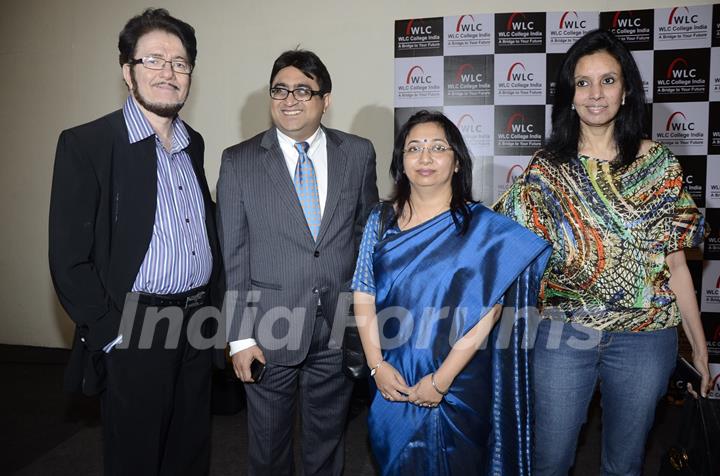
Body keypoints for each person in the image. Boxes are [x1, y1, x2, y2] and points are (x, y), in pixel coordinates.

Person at [494, 29, 711, 476]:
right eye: (583, 82)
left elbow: (676, 267)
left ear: (626, 90)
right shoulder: (546, 170)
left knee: (624, 463)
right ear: (569, 95)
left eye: (608, 81)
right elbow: (498, 247)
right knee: (549, 460)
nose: (596, 94)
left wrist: (701, 347)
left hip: (646, 340)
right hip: (563, 335)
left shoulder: (659, 165)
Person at [49, 8, 223, 476]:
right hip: (136, 329)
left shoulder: (194, 143)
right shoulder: (88, 144)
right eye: (154, 60)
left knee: (190, 450)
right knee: (136, 457)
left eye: (180, 63)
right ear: (127, 71)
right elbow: (69, 260)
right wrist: (111, 335)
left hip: (195, 322)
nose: (169, 72)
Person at [351, 110, 551, 475]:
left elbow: (488, 312)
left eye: (437, 147)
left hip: (457, 382)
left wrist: (441, 381)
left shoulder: (482, 227)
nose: (425, 158)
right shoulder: (379, 221)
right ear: (401, 162)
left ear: (457, 162)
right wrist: (377, 366)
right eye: (414, 148)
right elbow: (363, 293)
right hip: (391, 378)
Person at [216, 49, 378, 475]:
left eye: (303, 90)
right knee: (268, 446)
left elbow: (365, 238)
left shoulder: (358, 154)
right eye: (280, 90)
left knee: (327, 440)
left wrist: (362, 318)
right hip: (267, 330)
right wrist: (239, 338)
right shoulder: (239, 162)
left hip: (335, 328)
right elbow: (233, 254)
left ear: (325, 100)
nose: (290, 99)